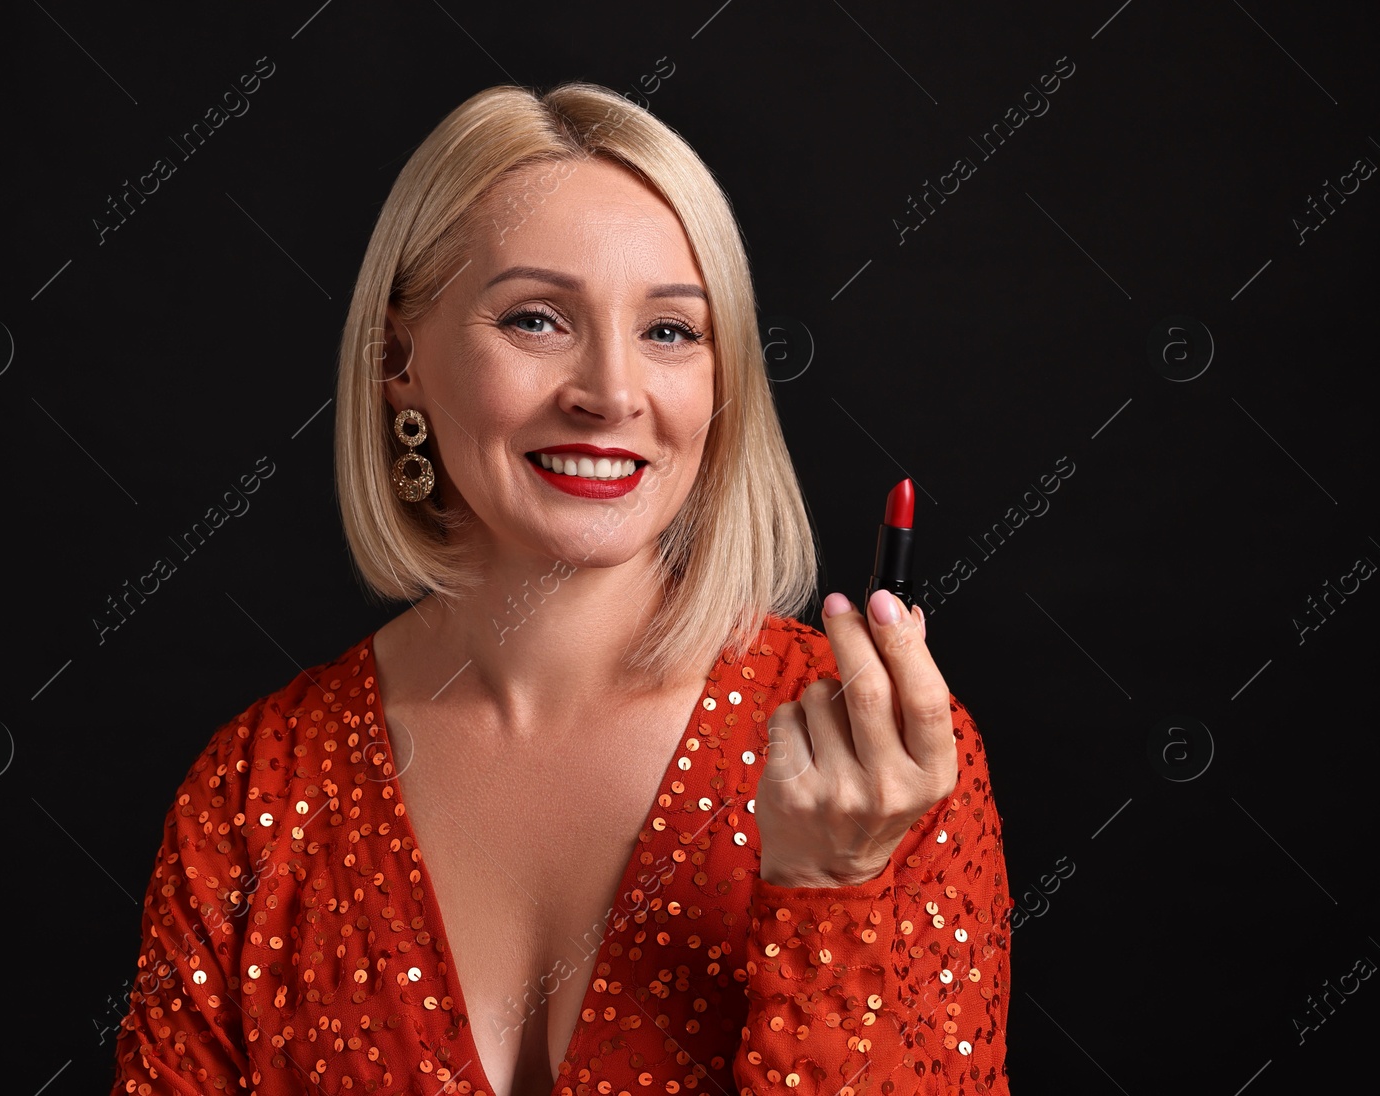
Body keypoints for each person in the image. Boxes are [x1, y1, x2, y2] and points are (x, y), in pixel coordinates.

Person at [108, 80, 1012, 1096]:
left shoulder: (881, 771)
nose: (611, 392)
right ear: (397, 357)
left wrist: (836, 895)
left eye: (670, 331)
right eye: (537, 319)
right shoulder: (252, 794)